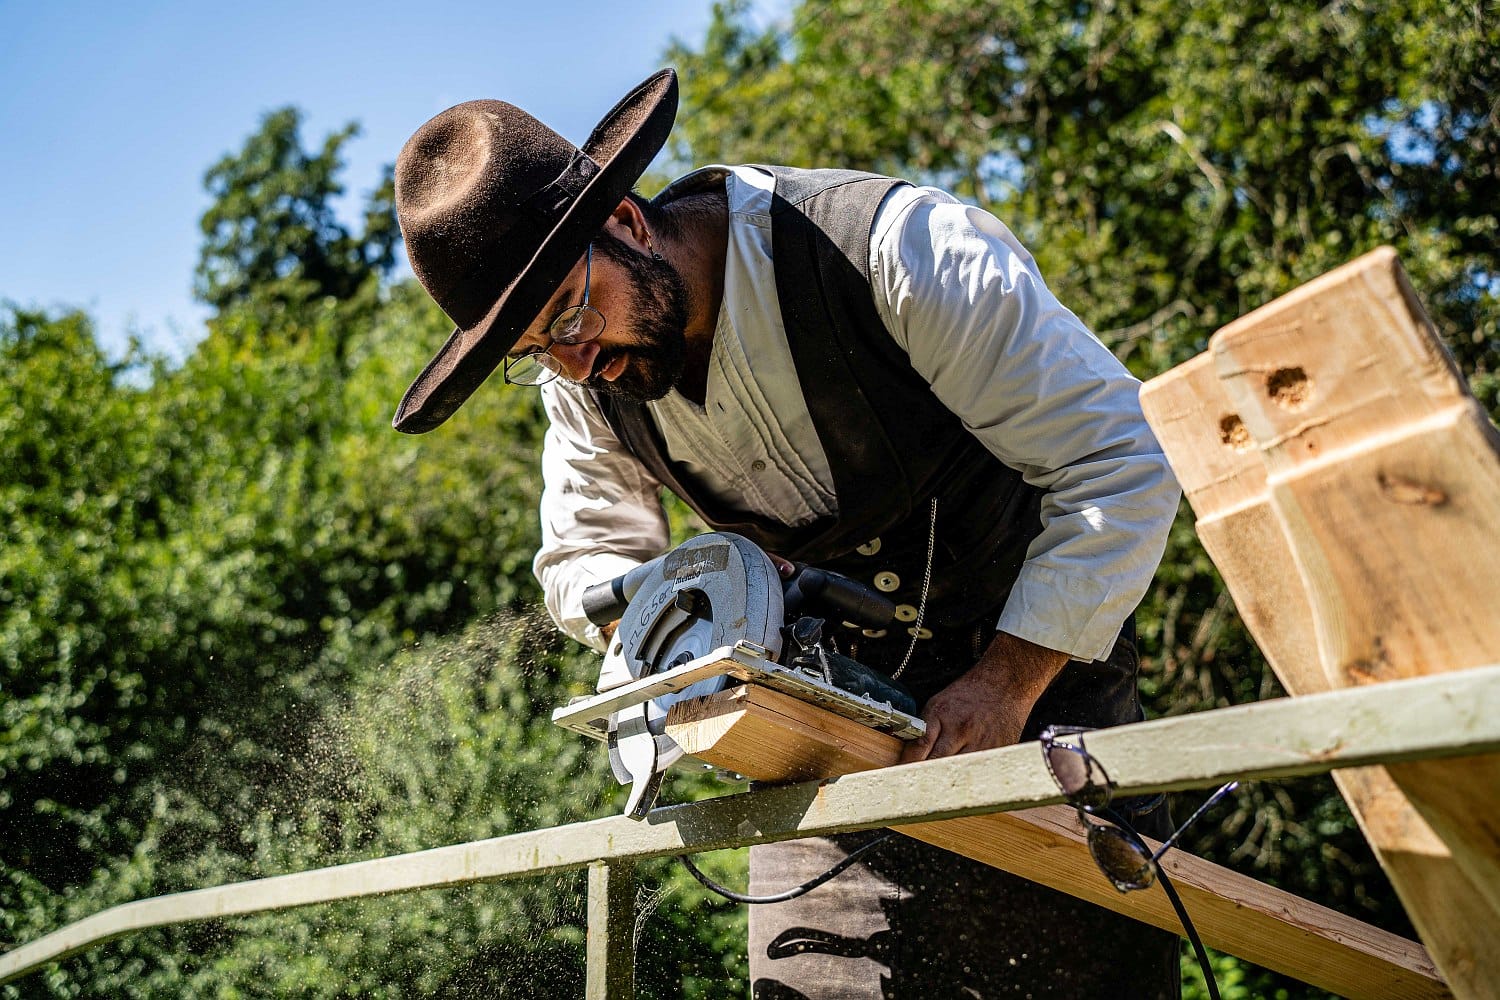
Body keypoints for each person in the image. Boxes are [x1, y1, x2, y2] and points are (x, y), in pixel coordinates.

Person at [390, 68, 1183, 998]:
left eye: (568, 311)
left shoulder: (893, 250)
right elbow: (583, 560)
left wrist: (1007, 682)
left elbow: (1120, 458)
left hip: (1044, 696)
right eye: (534, 353)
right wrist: (690, 589)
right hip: (817, 739)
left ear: (629, 222)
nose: (576, 360)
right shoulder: (585, 381)